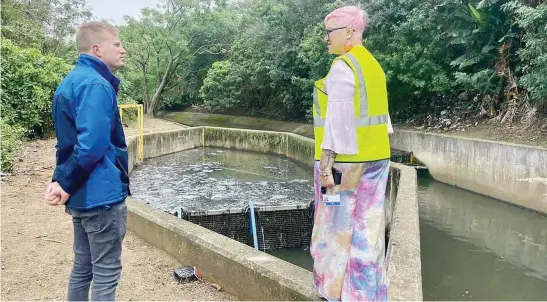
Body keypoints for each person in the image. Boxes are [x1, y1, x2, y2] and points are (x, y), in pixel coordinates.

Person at [310, 6, 392, 301]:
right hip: (377, 158)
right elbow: (384, 120)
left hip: (344, 165)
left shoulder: (344, 66)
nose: (326, 39)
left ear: (349, 32)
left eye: (329, 32)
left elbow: (338, 123)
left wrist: (324, 169)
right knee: (368, 227)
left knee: (335, 229)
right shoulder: (373, 66)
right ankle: (365, 294)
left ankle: (332, 291)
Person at [44, 21, 129, 301]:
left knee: (83, 268)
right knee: (106, 272)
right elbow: (90, 146)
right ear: (97, 48)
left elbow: (66, 144)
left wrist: (60, 179)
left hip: (82, 197)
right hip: (100, 196)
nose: (123, 49)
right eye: (116, 44)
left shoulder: (71, 81)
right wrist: (64, 183)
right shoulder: (96, 84)